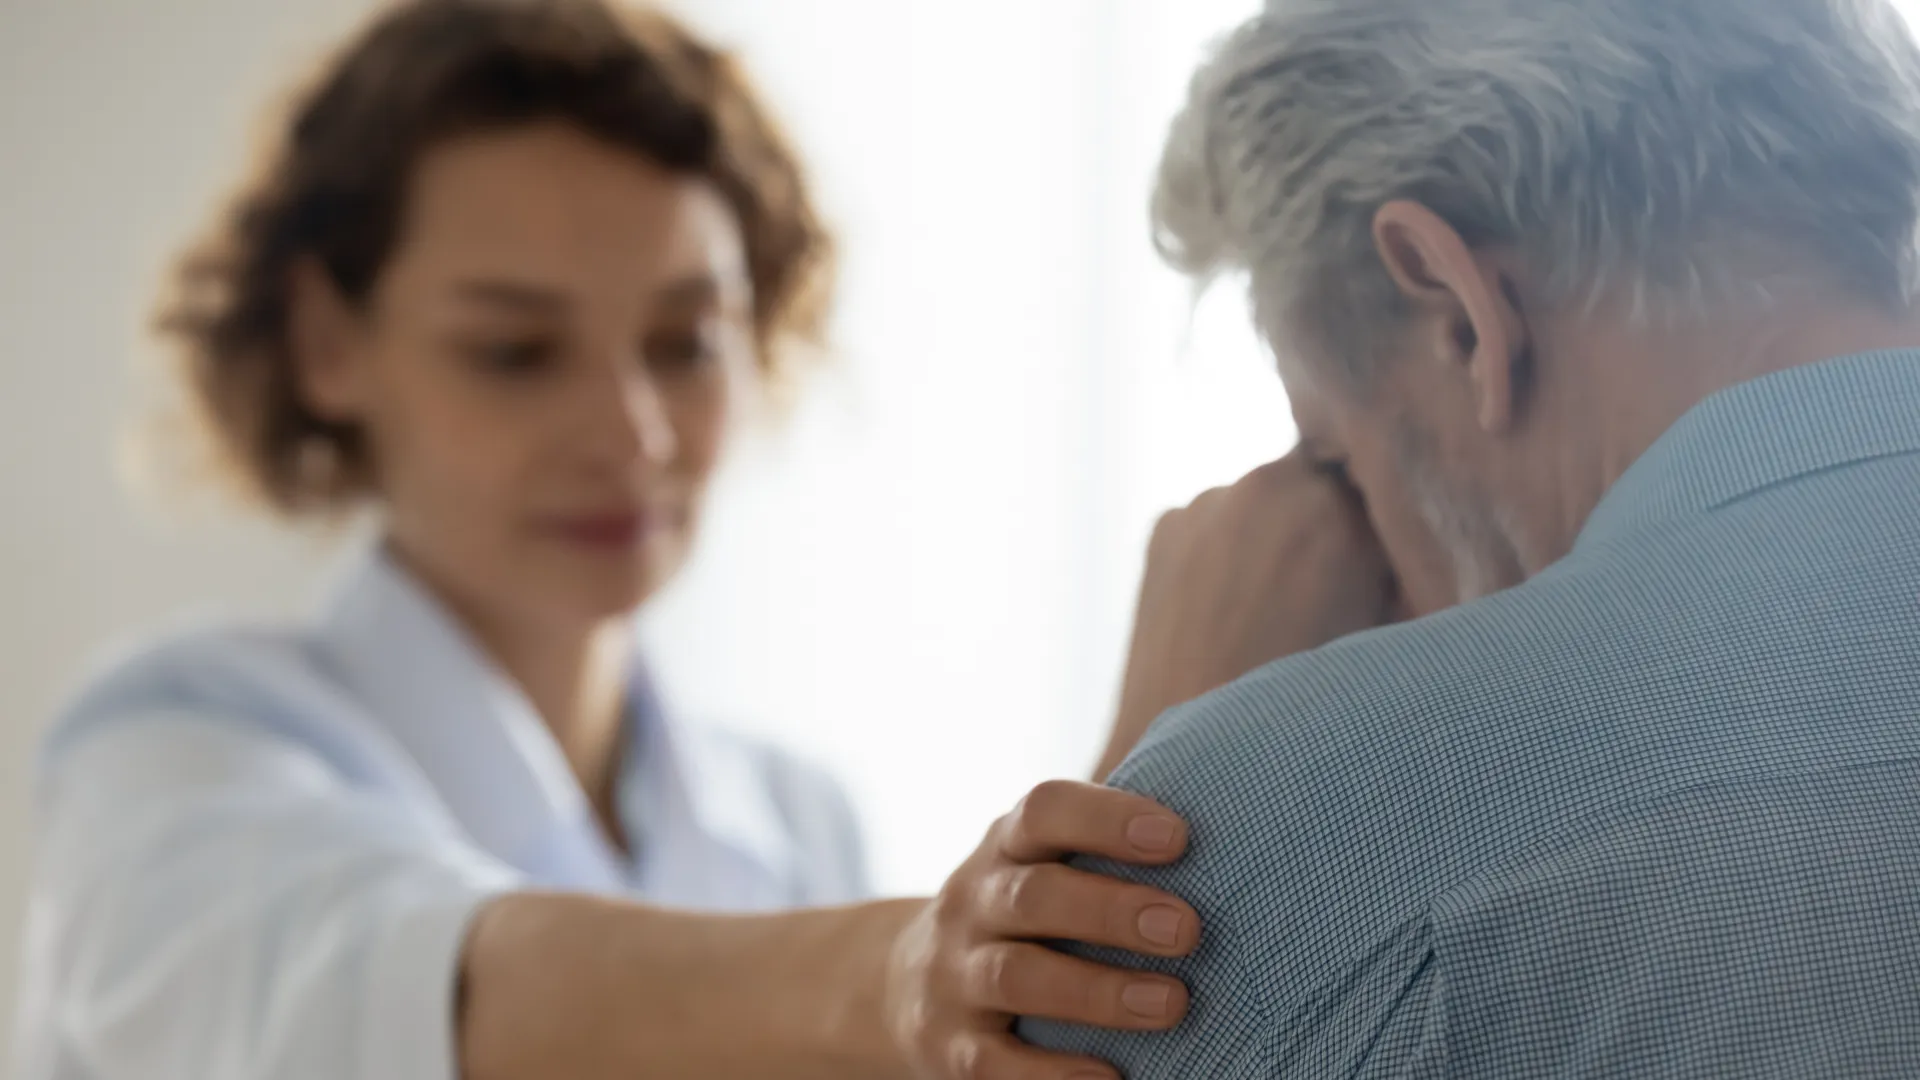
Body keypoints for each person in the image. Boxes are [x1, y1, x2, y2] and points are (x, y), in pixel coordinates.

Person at [15, 2, 1364, 1077]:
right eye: (515, 350)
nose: (634, 431)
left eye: (683, 343)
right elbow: (419, 983)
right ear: (326, 343)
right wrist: (935, 964)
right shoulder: (171, 753)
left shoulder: (791, 822)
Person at [1018, 0, 1920, 1075]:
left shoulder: (1280, 833)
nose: (1392, 585)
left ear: (1460, 311)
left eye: (1340, 462)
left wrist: (1154, 791)